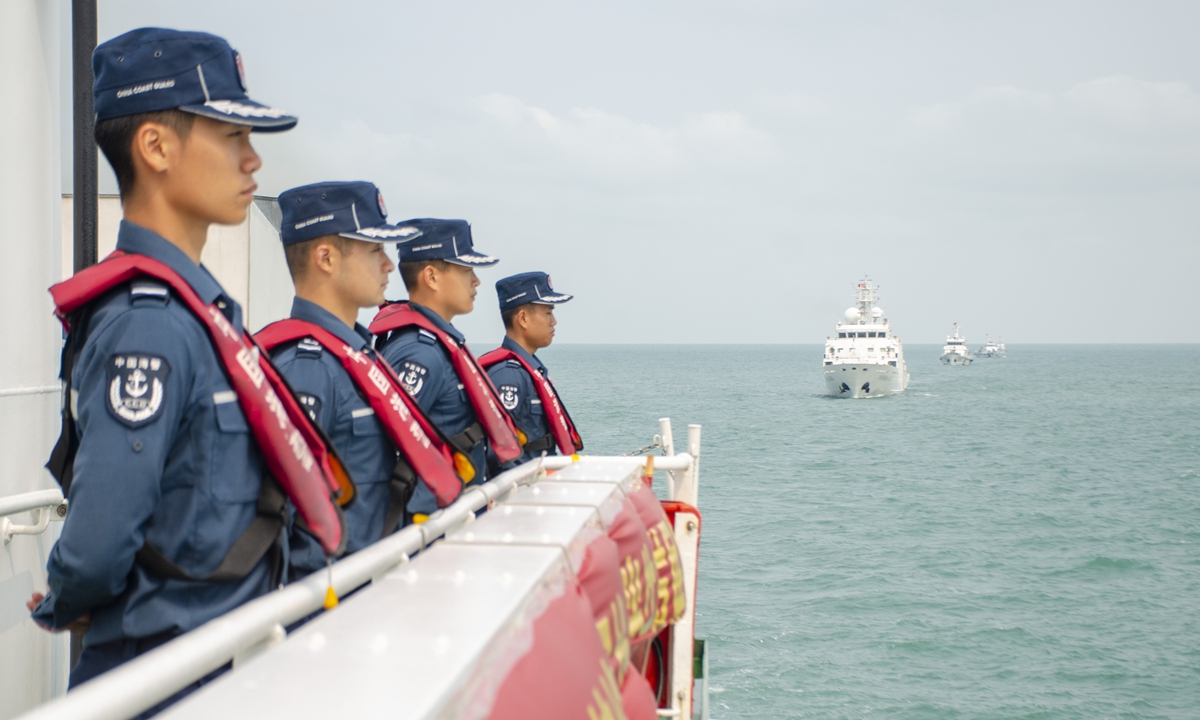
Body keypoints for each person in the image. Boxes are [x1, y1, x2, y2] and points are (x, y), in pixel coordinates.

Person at [27, 28, 350, 707]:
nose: (254, 160)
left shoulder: (198, 310)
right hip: (164, 679)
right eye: (231, 135)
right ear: (156, 147)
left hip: (224, 666)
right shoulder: (149, 322)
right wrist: (65, 599)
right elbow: (98, 541)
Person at [255, 182, 465, 578]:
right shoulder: (306, 368)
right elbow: (285, 516)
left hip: (375, 583)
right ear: (326, 258)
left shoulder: (358, 354)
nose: (389, 265)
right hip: (333, 606)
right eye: (375, 250)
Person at [369, 220, 523, 523]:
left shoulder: (436, 344)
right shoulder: (421, 353)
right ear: (432, 277)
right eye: (467, 270)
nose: (476, 281)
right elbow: (386, 451)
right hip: (429, 531)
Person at [479, 272, 584, 464]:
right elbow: (499, 454)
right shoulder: (507, 376)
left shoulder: (528, 369)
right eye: (548, 312)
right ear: (523, 319)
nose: (554, 321)